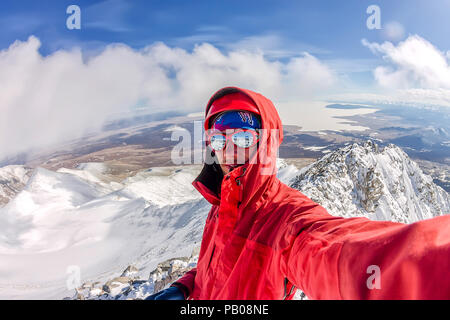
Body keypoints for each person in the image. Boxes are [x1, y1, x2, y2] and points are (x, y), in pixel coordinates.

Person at [146, 86, 450, 300]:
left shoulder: (287, 222)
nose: (227, 151)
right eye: (218, 137)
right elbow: (216, 269)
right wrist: (185, 287)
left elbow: (340, 255)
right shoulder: (221, 204)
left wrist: (429, 266)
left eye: (242, 137)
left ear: (265, 144)